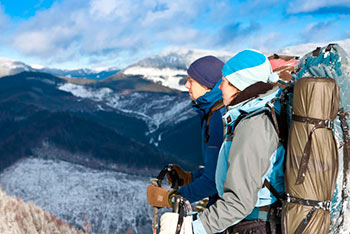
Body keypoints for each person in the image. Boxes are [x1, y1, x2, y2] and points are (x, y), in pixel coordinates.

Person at [159, 49, 285, 234]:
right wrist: (191, 178)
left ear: (239, 86)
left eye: (225, 82)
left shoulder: (253, 126)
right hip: (249, 221)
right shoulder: (248, 116)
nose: (220, 87)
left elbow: (239, 201)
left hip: (254, 224)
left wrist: (190, 228)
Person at [147, 55, 226, 208]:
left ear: (207, 85)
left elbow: (214, 181)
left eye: (191, 81)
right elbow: (219, 169)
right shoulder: (213, 111)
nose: (186, 86)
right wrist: (190, 178)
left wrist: (171, 198)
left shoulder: (218, 117)